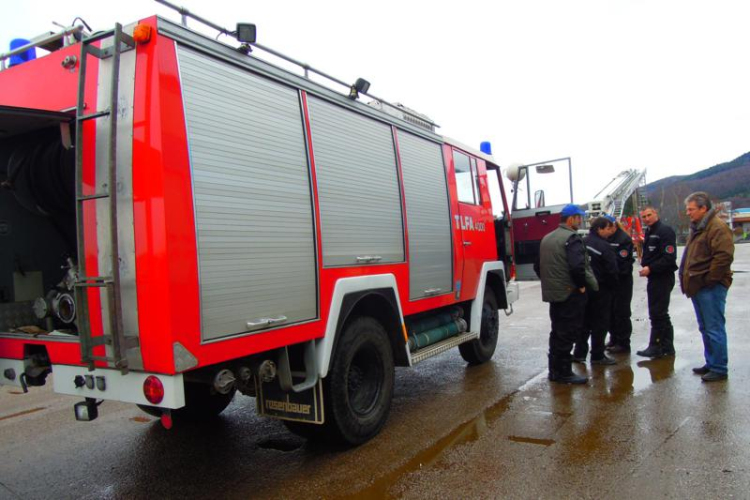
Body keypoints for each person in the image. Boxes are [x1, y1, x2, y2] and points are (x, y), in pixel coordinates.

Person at [536, 204, 598, 384]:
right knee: (568, 333)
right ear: (571, 219)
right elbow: (577, 267)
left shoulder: (546, 238)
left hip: (555, 295)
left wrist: (552, 282)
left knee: (557, 332)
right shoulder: (572, 238)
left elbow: (537, 266)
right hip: (570, 294)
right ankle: (563, 372)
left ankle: (554, 371)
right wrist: (581, 286)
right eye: (579, 217)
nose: (581, 221)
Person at [679, 192, 734, 382]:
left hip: (710, 287)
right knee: (705, 328)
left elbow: (724, 256)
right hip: (699, 287)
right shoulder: (699, 227)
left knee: (714, 327)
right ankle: (712, 362)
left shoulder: (717, 227)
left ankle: (719, 367)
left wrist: (710, 280)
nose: (688, 213)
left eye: (691, 209)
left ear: (703, 208)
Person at [574, 217, 619, 365]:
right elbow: (612, 271)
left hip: (585, 289)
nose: (610, 231)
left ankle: (579, 353)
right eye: (607, 228)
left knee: (584, 323)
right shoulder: (605, 246)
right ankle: (598, 355)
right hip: (601, 290)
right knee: (600, 323)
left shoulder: (582, 242)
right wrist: (613, 288)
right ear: (599, 229)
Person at [636, 206, 678, 358]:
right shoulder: (649, 231)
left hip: (662, 276)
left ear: (656, 214)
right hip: (654, 277)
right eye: (644, 217)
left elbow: (669, 258)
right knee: (659, 312)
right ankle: (667, 347)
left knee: (658, 312)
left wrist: (651, 268)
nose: (646, 218)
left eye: (649, 215)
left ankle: (656, 345)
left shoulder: (665, 231)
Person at [606, 217, 635, 353]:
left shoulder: (623, 239)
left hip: (622, 281)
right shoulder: (606, 237)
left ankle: (623, 342)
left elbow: (622, 261)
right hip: (610, 281)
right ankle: (614, 338)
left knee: (622, 312)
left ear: (613, 226)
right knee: (610, 311)